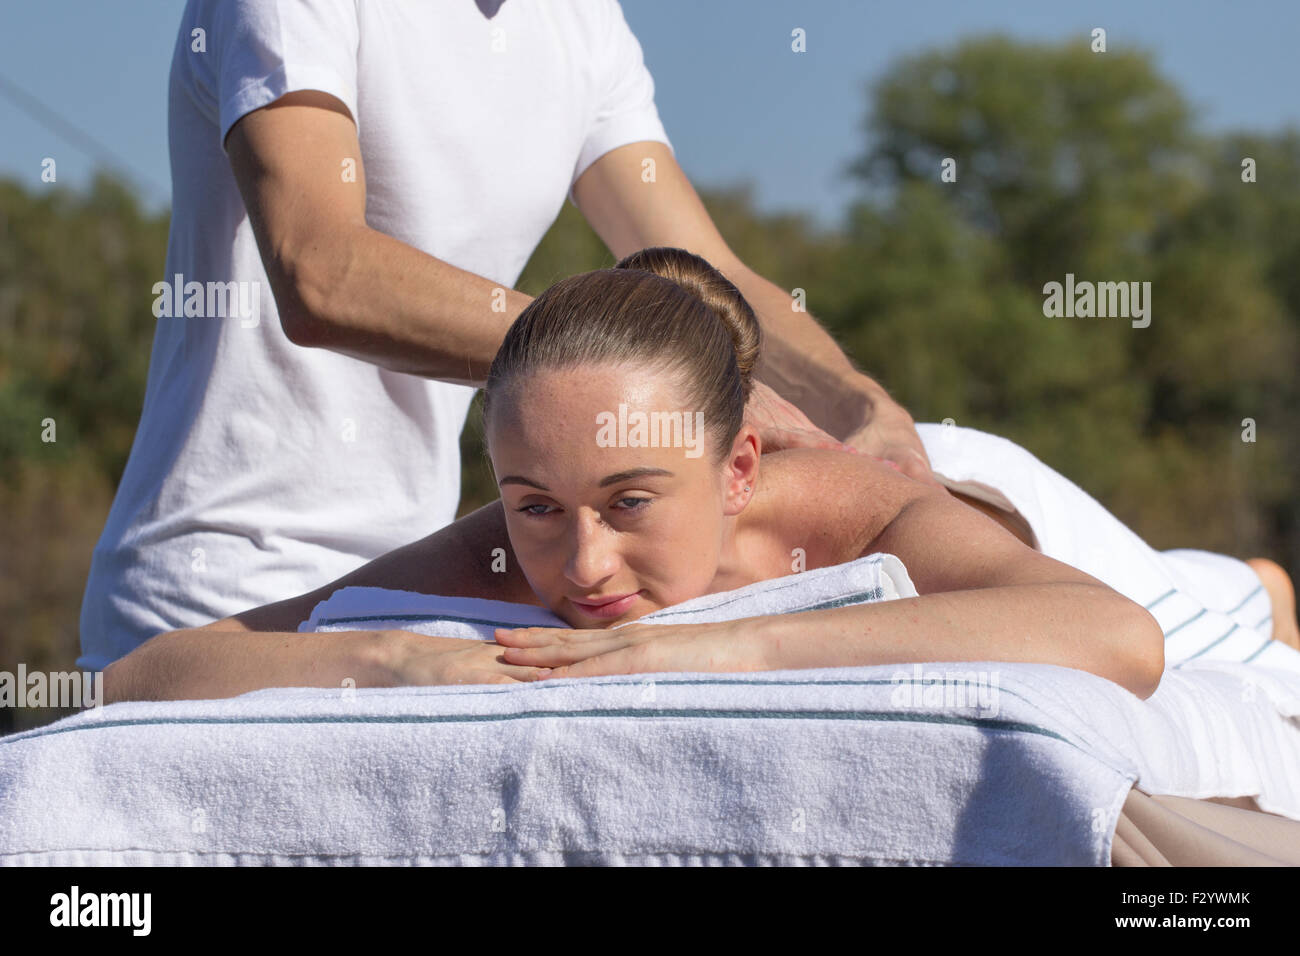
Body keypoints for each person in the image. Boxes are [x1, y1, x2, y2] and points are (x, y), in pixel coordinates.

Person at [77, 0, 932, 676]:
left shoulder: (580, 22)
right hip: (219, 598)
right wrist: (646, 369)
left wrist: (870, 410)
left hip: (418, 594)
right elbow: (320, 271)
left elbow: (709, 269)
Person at [99, 247, 1300, 703]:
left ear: (735, 469)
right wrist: (390, 651)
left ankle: (1259, 581)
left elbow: (1117, 634)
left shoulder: (841, 518)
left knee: (1225, 617)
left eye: (629, 504)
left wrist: (707, 641)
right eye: (533, 506)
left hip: (984, 491)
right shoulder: (516, 540)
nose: (580, 565)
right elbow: (151, 671)